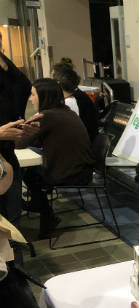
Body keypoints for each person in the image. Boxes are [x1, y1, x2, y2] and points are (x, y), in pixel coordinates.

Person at [17, 78, 94, 238]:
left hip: (70, 174)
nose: (30, 99)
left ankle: (41, 211)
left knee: (25, 174)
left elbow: (20, 143)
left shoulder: (46, 116)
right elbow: (38, 140)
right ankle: (44, 213)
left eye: (32, 95)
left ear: (43, 96)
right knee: (29, 173)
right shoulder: (65, 112)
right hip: (81, 170)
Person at [0, 32, 32, 230]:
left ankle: (15, 262)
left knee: (12, 224)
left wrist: (24, 127)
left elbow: (22, 86)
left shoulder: (8, 78)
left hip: (7, 160)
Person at [52, 58, 99, 141]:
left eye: (52, 79)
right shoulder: (75, 95)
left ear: (58, 81)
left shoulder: (72, 100)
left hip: (83, 143)